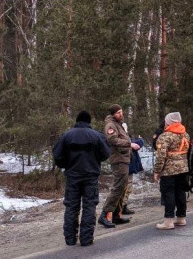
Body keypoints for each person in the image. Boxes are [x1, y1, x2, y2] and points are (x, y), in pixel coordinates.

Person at [52, 110, 111, 247]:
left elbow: (57, 155)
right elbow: (106, 153)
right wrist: (95, 160)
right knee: (89, 205)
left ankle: (70, 239)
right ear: (89, 121)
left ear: (77, 121)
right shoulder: (96, 136)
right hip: (90, 176)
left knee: (71, 206)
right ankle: (86, 239)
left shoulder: (66, 136)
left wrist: (66, 165)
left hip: (72, 176)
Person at [100, 104, 141, 228]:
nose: (121, 114)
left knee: (123, 187)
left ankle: (117, 214)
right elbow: (112, 140)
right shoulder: (110, 125)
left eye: (121, 112)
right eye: (118, 112)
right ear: (113, 114)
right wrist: (130, 144)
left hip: (124, 158)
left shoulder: (118, 124)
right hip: (118, 160)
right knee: (118, 187)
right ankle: (104, 214)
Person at [153, 112, 191, 230]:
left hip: (169, 171)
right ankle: (181, 218)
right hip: (183, 169)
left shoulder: (165, 136)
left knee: (168, 193)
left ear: (168, 122)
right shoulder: (185, 135)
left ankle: (168, 221)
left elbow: (161, 156)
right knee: (180, 193)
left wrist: (157, 171)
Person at [121, 136, 144, 215]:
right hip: (126, 167)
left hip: (128, 166)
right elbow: (138, 144)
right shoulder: (123, 140)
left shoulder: (126, 139)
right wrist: (140, 139)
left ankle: (123, 206)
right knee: (125, 188)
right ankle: (121, 207)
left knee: (128, 188)